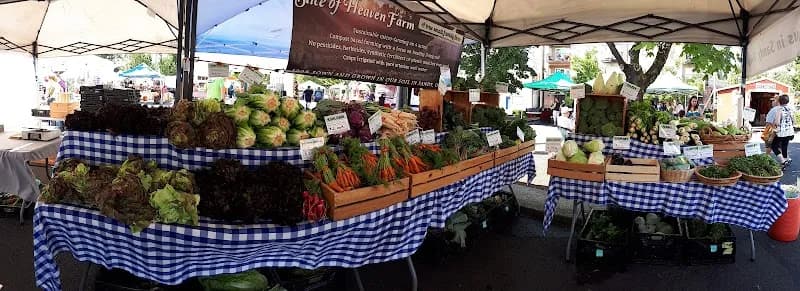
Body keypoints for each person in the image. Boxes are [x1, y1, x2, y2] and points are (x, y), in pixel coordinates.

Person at [768, 94, 795, 168]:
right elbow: (793, 120)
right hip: (790, 131)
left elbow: (777, 122)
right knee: (784, 146)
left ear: (779, 101)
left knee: (774, 146)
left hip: (781, 132)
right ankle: (786, 160)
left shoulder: (779, 110)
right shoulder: (790, 109)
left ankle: (783, 161)